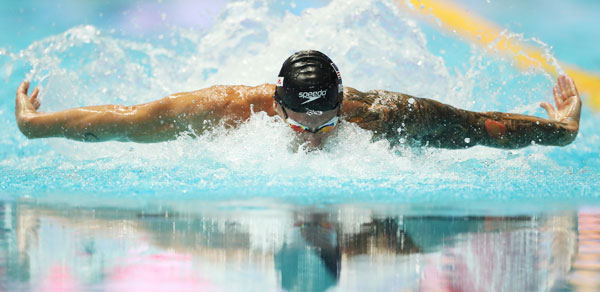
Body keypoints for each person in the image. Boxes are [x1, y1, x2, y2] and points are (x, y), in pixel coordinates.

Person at [15, 50, 581, 150]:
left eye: (325, 123)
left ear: (344, 103)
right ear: (278, 106)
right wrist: (32, 126)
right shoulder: (223, 108)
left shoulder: (379, 114)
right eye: (300, 123)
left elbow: (480, 128)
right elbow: (121, 122)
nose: (313, 136)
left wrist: (561, 130)